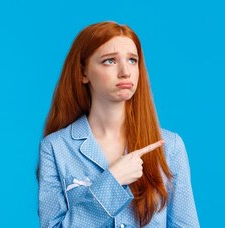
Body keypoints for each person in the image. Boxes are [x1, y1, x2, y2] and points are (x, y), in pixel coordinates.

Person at [37, 21, 199, 227]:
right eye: (109, 61)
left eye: (132, 60)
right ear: (83, 73)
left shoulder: (170, 146)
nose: (125, 71)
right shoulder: (55, 148)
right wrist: (111, 182)